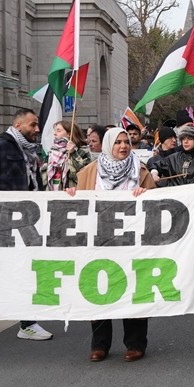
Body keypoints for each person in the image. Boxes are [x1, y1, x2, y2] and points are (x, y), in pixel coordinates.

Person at [67, 127, 156, 362]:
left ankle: (135, 343)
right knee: (99, 289)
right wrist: (72, 194)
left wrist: (145, 193)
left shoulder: (141, 171)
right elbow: (78, 203)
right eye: (117, 142)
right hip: (99, 241)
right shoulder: (89, 172)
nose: (123, 146)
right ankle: (100, 344)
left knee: (134, 289)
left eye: (126, 142)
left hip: (131, 243)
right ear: (108, 145)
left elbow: (156, 203)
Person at [0, 109, 53, 342]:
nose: (37, 129)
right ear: (17, 125)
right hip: (6, 221)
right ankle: (23, 322)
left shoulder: (28, 151)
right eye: (33, 125)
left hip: (26, 221)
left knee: (20, 270)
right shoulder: (1, 146)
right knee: (12, 271)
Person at [44, 121, 92, 191]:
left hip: (72, 192)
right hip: (52, 191)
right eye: (55, 131)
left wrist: (74, 154)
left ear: (69, 134)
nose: (55, 133)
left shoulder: (83, 151)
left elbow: (83, 175)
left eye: (59, 131)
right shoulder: (51, 152)